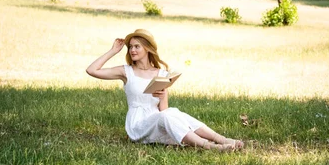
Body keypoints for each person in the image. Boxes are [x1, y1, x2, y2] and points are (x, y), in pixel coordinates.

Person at [86, 28, 244, 152]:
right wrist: (113, 51)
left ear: (147, 49)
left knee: (173, 113)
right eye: (130, 47)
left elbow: (164, 110)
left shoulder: (161, 74)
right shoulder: (126, 72)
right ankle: (208, 146)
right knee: (166, 117)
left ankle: (222, 139)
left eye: (136, 46)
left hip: (157, 119)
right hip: (137, 125)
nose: (132, 50)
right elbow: (92, 70)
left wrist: (162, 97)